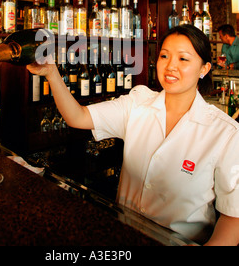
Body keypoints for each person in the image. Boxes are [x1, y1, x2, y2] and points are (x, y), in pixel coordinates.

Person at [27, 25, 239, 246]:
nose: (170, 66)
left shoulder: (225, 133)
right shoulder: (138, 103)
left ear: (204, 68)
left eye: (183, 59)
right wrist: (51, 73)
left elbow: (233, 218)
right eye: (164, 56)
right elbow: (78, 117)